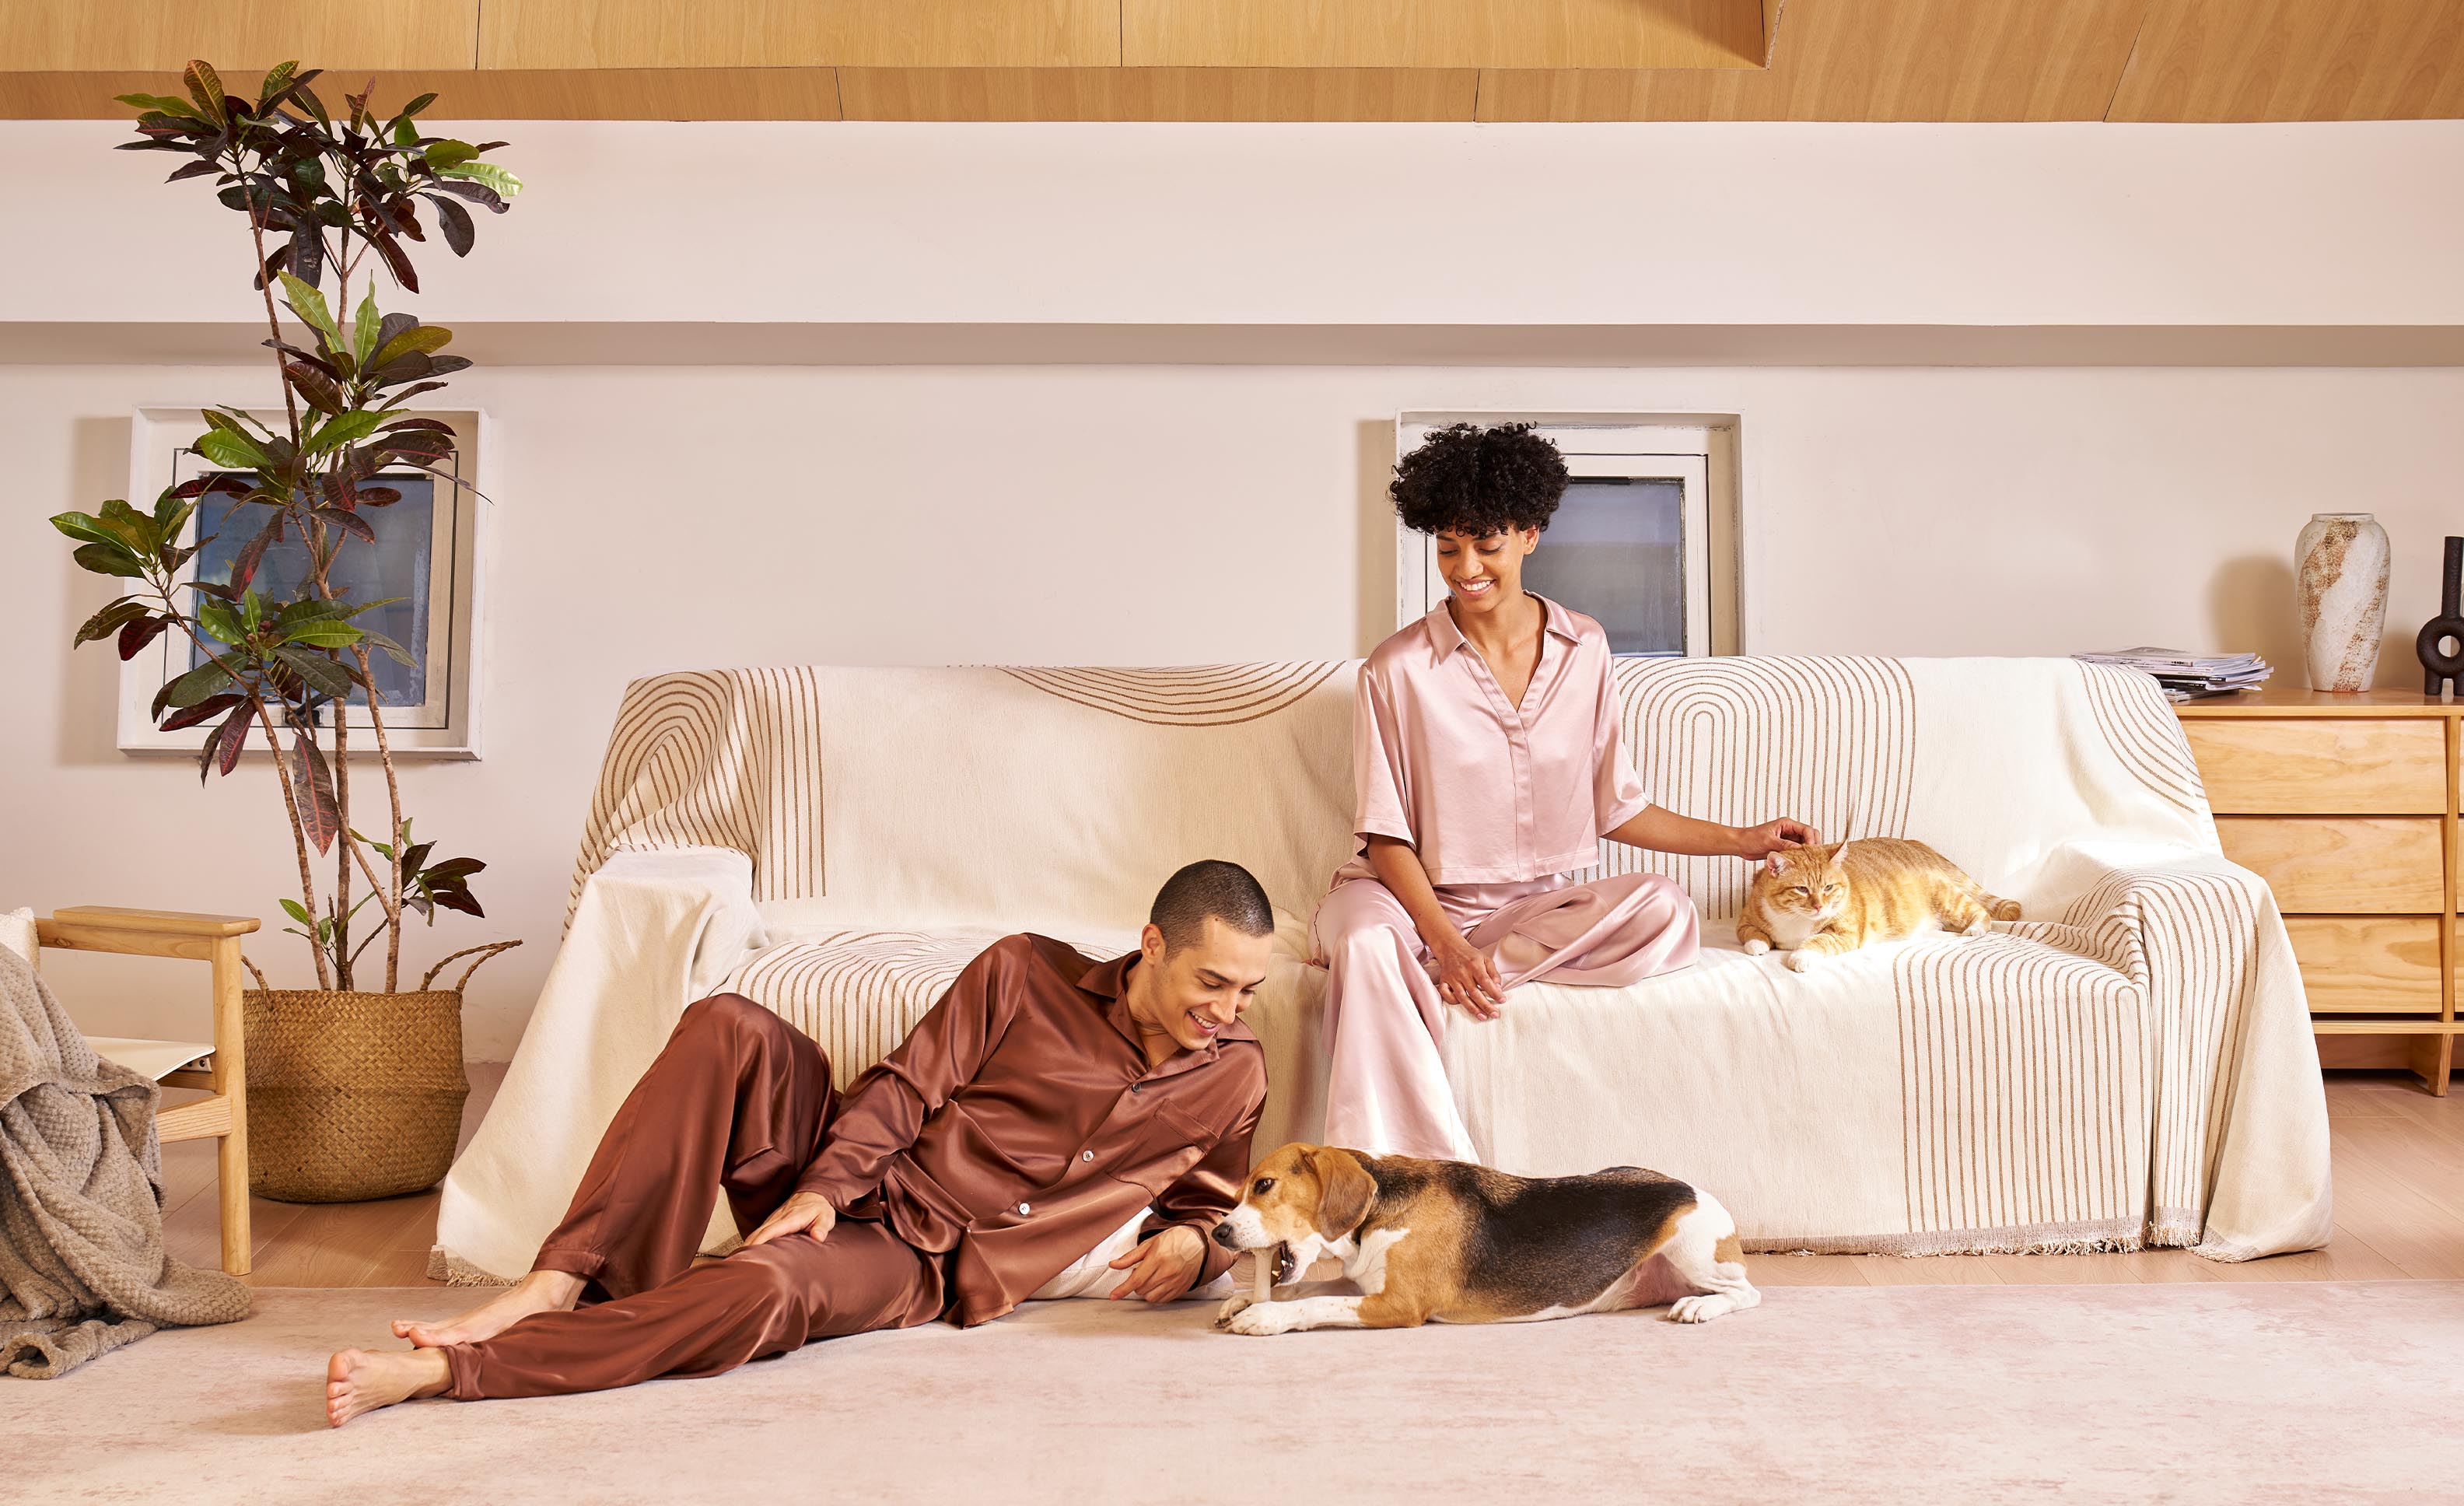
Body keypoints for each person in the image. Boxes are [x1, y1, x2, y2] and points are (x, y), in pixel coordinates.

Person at [325, 860, 1276, 1425]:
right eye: (1212, 982)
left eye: (1246, 991)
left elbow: (1207, 1210)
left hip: (920, 1257)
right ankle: (559, 1279)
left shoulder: (1235, 1072)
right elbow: (906, 1086)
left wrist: (1196, 1250)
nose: (1227, 1010)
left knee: (768, 1289)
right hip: (855, 1166)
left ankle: (453, 1371)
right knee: (727, 1023)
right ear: (1152, 944)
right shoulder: (1024, 971)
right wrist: (823, 1187)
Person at [1316, 422, 1818, 1161]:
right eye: (1448, 548)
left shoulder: (1586, 648)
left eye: (1486, 544)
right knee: (1363, 941)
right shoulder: (1395, 669)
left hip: (1527, 914)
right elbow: (1386, 836)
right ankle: (1408, 1174)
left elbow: (1617, 806)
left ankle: (1433, 977)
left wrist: (1743, 840)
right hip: (1401, 901)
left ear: (1529, 534)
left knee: (1666, 910)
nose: (1465, 568)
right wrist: (1444, 938)